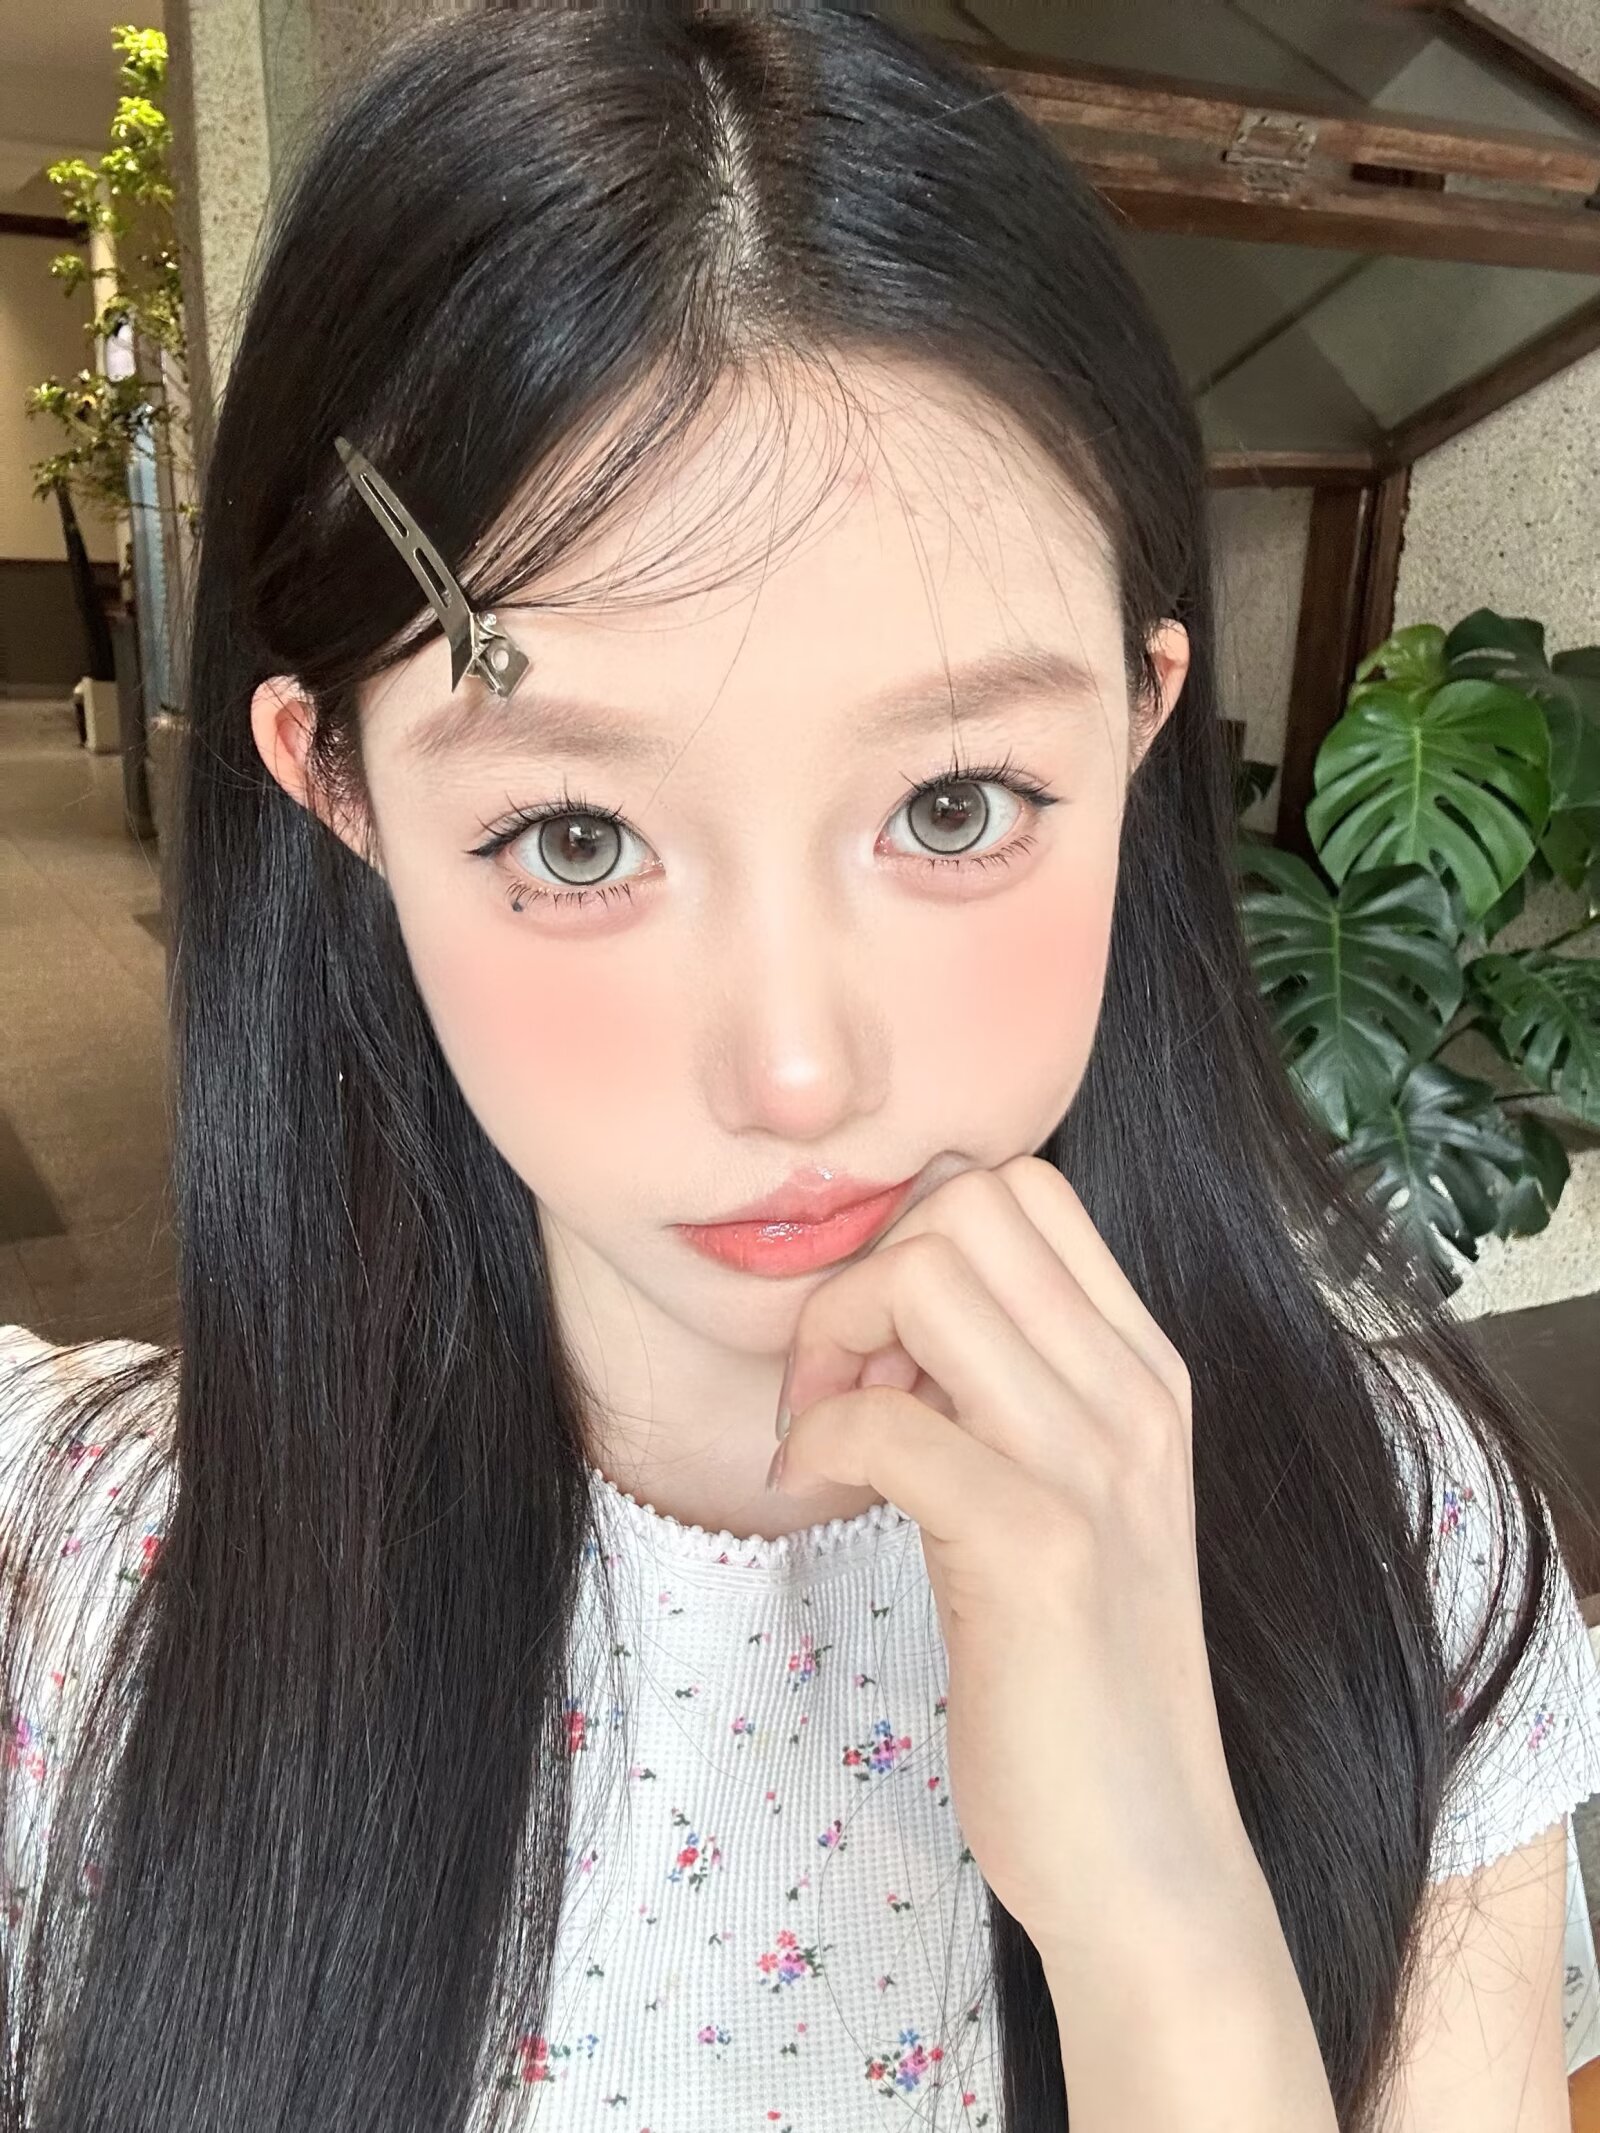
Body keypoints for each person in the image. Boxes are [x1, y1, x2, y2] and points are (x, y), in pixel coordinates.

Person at [3, 6, 1599, 2129]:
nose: (790, 1067)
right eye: (576, 837)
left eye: (952, 803)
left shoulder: (1406, 1552)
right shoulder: (71, 1586)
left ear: (1138, 724)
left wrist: (1163, 1920)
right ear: (341, 788)